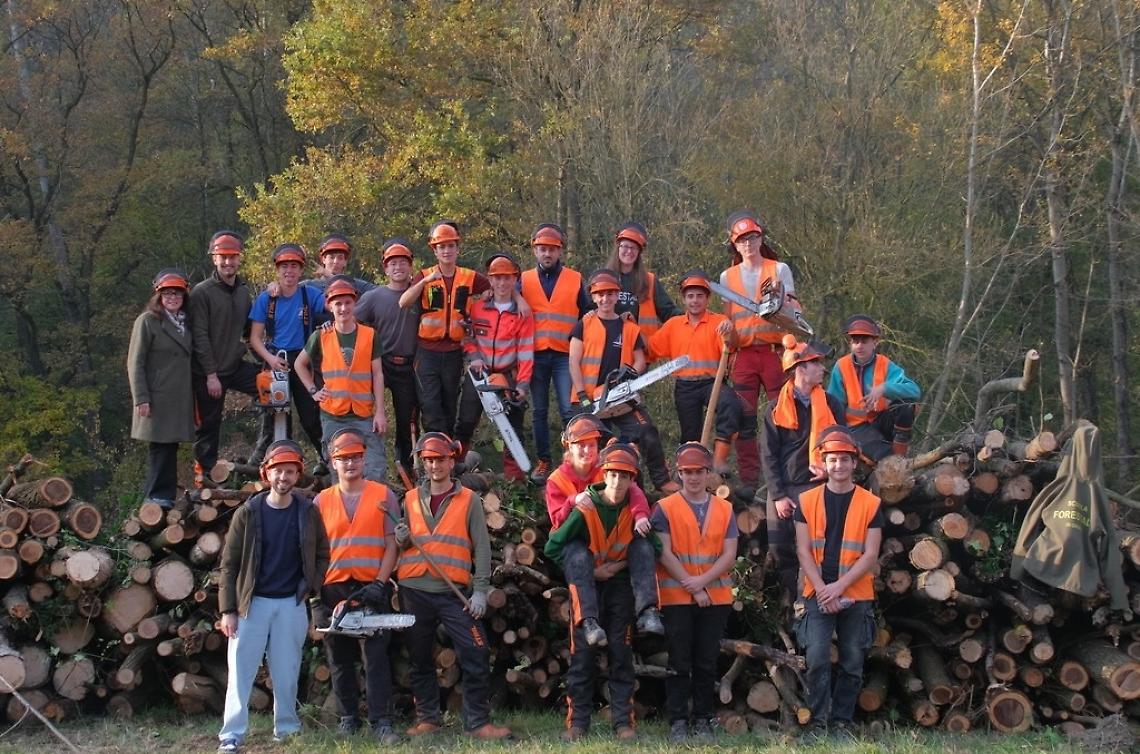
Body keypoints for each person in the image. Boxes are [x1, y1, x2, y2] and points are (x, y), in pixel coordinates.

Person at [394, 432, 512, 740]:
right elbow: (401, 543)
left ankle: (478, 723)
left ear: (452, 461)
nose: (435, 466)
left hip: (453, 593)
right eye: (429, 460)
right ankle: (428, 719)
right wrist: (401, 538)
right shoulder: (409, 499)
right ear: (422, 463)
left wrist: (481, 590)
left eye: (441, 459)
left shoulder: (469, 500)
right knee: (419, 656)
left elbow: (483, 548)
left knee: (476, 650)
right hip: (414, 589)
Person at [216, 440, 329, 754]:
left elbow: (323, 553)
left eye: (290, 471)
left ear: (297, 476)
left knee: (287, 670)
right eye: (278, 470)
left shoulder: (308, 511)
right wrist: (227, 609)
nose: (284, 477)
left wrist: (311, 584)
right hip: (250, 604)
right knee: (241, 671)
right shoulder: (248, 512)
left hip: (290, 603)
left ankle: (287, 729)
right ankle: (232, 735)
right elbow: (230, 564)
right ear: (267, 473)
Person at [544, 443, 662, 742]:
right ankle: (577, 724)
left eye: (625, 476)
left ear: (632, 479)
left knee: (622, 655)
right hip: (587, 590)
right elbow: (553, 547)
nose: (618, 482)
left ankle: (623, 724)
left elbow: (654, 549)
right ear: (604, 474)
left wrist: (622, 564)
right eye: (613, 475)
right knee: (582, 657)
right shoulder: (586, 506)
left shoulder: (637, 511)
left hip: (621, 586)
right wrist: (593, 571)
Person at [312, 429, 401, 743]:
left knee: (376, 656)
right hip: (333, 586)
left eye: (355, 457)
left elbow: (392, 544)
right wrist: (316, 594)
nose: (350, 463)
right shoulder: (321, 501)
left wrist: (381, 582)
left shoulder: (383, 495)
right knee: (339, 656)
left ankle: (382, 721)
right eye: (343, 458)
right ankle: (348, 717)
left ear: (364, 458)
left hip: (371, 585)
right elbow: (314, 551)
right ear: (333, 462)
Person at [794, 425, 882, 736]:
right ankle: (818, 722)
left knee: (852, 660)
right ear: (824, 462)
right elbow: (803, 551)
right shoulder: (807, 501)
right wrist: (822, 589)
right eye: (833, 460)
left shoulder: (871, 504)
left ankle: (842, 722)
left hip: (855, 592)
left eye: (845, 460)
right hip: (817, 592)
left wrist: (838, 588)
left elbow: (870, 554)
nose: (839, 466)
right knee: (817, 656)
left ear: (854, 463)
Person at [544, 415, 661, 648]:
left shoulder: (607, 469)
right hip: (578, 547)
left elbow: (634, 492)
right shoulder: (556, 480)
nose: (587, 451)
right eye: (581, 445)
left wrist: (640, 515)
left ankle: (648, 612)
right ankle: (588, 621)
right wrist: (573, 501)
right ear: (569, 447)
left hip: (613, 550)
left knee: (642, 547)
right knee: (576, 553)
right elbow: (557, 524)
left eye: (592, 445)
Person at [652, 443, 739, 742]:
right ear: (679, 473)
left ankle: (703, 718)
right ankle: (678, 720)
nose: (693, 478)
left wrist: (701, 583)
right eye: (687, 472)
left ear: (708, 473)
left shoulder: (725, 508)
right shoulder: (664, 508)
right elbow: (662, 551)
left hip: (714, 597)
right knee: (679, 660)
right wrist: (692, 584)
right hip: (677, 597)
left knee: (706, 660)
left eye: (698, 472)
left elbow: (729, 554)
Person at [569, 269, 677, 494]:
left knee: (646, 429)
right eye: (600, 295)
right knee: (598, 444)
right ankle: (594, 488)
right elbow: (573, 362)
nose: (605, 299)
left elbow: (639, 360)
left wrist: (628, 375)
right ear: (594, 297)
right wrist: (581, 395)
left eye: (610, 294)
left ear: (617, 295)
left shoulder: (629, 327)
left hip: (620, 397)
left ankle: (661, 480)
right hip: (590, 399)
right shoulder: (584, 324)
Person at [718, 211, 801, 490]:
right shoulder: (727, 277)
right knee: (744, 419)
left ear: (760, 238)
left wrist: (783, 308)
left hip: (775, 351)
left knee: (784, 413)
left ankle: (788, 472)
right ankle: (750, 480)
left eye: (752, 237)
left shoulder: (779, 269)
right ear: (735, 245)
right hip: (743, 355)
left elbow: (793, 308)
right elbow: (726, 319)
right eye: (742, 240)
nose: (748, 243)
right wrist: (726, 344)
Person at [760, 335, 845, 601]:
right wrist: (778, 495)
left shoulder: (832, 404)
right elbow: (768, 454)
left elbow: (844, 444)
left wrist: (830, 472)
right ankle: (787, 603)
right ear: (800, 369)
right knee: (780, 548)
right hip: (785, 488)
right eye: (816, 363)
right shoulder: (775, 409)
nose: (823, 368)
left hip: (819, 487)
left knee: (816, 550)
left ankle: (809, 605)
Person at [398, 221, 490, 455]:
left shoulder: (469, 277)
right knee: (430, 405)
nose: (446, 251)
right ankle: (433, 455)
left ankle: (448, 457)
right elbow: (404, 302)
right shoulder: (425, 275)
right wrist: (424, 283)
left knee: (450, 405)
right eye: (441, 247)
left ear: (457, 248)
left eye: (450, 246)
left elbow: (495, 289)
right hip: (427, 351)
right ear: (434, 250)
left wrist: (476, 311)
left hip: (453, 352)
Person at [648, 271, 742, 477]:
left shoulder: (719, 321)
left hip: (712, 383)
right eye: (690, 296)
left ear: (708, 298)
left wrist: (730, 331)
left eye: (700, 296)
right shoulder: (673, 325)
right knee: (690, 435)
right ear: (683, 299)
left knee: (731, 404)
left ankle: (718, 462)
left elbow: (734, 344)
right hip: (685, 386)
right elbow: (650, 349)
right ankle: (689, 474)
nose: (695, 300)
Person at [294, 275, 387, 482]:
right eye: (338, 304)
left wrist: (380, 412)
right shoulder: (321, 336)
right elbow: (299, 364)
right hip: (333, 416)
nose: (343, 308)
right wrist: (313, 391)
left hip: (364, 415)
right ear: (330, 306)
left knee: (375, 471)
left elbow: (377, 374)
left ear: (355, 303)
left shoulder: (370, 335)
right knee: (340, 473)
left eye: (347, 303)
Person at [189, 231, 266, 479]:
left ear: (239, 259)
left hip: (234, 365)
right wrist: (210, 374)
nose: (228, 262)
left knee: (272, 390)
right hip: (208, 371)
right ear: (214, 259)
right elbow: (198, 336)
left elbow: (248, 333)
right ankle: (205, 475)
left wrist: (265, 362)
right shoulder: (202, 293)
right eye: (223, 257)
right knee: (209, 425)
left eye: (232, 257)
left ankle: (263, 456)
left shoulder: (243, 292)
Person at [519, 223, 592, 483]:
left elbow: (589, 314)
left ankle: (570, 461)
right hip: (535, 354)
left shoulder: (575, 278)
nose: (547, 254)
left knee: (568, 409)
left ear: (559, 251)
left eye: (551, 249)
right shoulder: (524, 279)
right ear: (535, 251)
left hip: (564, 355)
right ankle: (544, 461)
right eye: (542, 249)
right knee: (538, 411)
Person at [455, 253, 534, 481]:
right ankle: (457, 468)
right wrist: (474, 357)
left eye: (506, 278)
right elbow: (467, 337)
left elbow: (526, 351)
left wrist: (522, 384)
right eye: (497, 278)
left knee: (513, 428)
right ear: (490, 280)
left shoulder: (522, 313)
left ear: (514, 280)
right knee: (466, 421)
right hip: (479, 372)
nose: (501, 283)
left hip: (507, 373)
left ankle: (514, 480)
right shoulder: (478, 307)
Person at [248, 243, 326, 465]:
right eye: (284, 266)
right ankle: (275, 465)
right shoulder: (267, 299)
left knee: (311, 417)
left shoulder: (309, 294)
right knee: (276, 417)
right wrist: (270, 359)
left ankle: (329, 461)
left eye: (294, 266)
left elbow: (333, 302)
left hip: (303, 360)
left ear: (301, 270)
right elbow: (255, 337)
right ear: (277, 269)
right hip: (275, 360)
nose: (289, 271)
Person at [127, 269, 195, 507]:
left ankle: (164, 496)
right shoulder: (147, 321)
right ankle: (156, 497)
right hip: (157, 397)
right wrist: (141, 398)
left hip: (179, 397)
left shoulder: (185, 322)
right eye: (167, 293)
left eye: (177, 293)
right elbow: (135, 362)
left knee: (170, 447)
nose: (173, 297)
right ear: (158, 295)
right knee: (160, 448)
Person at [356, 239, 420, 480]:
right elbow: (353, 323)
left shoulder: (419, 294)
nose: (398, 267)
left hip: (409, 366)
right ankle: (370, 464)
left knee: (408, 419)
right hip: (380, 364)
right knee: (368, 414)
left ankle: (406, 465)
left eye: (403, 263)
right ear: (385, 269)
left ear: (410, 266)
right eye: (393, 263)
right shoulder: (374, 297)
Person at [827, 314, 921, 459]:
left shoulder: (885, 364)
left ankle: (900, 460)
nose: (859, 346)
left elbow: (914, 390)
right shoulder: (841, 366)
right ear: (850, 344)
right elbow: (834, 405)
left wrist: (884, 388)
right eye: (855, 341)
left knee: (907, 405)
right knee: (884, 455)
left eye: (864, 341)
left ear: (874, 343)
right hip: (855, 428)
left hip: (881, 420)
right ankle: (893, 464)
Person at [606, 221, 681, 338]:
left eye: (634, 248)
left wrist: (689, 317)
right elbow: (589, 310)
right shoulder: (604, 278)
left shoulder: (649, 281)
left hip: (641, 349)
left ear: (639, 252)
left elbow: (668, 311)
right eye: (625, 246)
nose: (629, 251)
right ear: (618, 247)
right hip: (609, 348)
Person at [302, 233, 377, 295]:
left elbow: (381, 292)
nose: (335, 261)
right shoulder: (310, 286)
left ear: (345, 262)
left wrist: (330, 276)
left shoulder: (356, 285)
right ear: (323, 259)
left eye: (340, 258)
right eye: (331, 257)